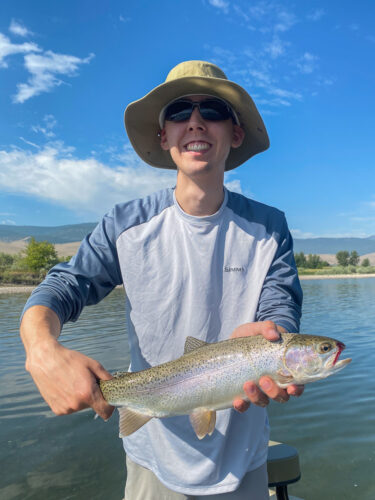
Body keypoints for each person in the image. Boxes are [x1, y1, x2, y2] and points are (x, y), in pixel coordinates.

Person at [20, 60, 303, 499]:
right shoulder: (124, 224)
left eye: (212, 110)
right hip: (152, 458)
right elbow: (61, 287)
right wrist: (40, 347)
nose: (195, 122)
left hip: (244, 459)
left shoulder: (271, 228)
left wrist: (276, 337)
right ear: (163, 135)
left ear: (235, 132)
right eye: (178, 112)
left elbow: (279, 307)